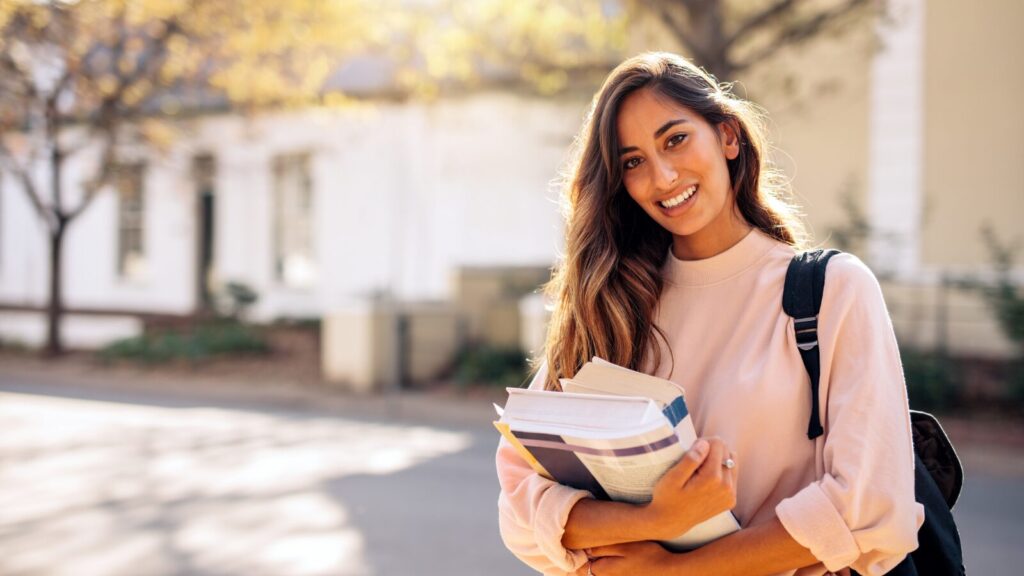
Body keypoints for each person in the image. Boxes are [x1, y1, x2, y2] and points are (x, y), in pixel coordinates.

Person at [495, 52, 924, 576]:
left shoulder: (832, 291)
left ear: (727, 137)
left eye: (675, 139)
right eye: (633, 162)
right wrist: (655, 518)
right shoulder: (611, 305)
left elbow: (869, 509)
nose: (663, 175)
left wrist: (672, 570)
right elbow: (521, 505)